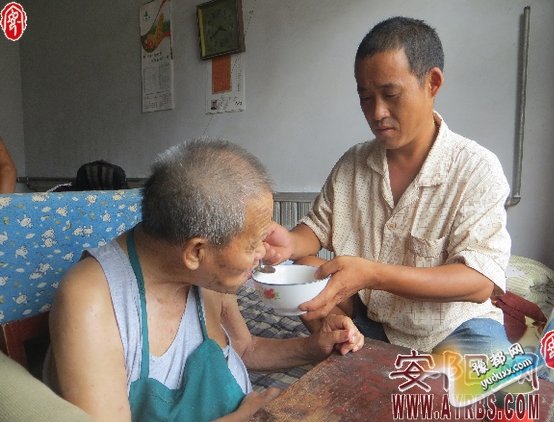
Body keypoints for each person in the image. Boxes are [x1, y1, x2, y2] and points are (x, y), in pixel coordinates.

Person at [44, 139, 364, 422]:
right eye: (253, 244)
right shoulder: (92, 299)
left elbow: (244, 348)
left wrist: (314, 346)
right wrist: (242, 418)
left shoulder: (207, 276)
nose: (265, 253)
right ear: (197, 252)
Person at [263, 17, 512, 357]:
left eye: (391, 94)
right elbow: (317, 229)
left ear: (432, 83)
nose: (377, 112)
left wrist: (372, 275)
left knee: (493, 378)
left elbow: (479, 281)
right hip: (372, 321)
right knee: (303, 268)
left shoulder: (475, 168)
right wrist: (288, 243)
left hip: (455, 328)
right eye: (366, 98)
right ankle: (352, 344)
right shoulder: (353, 163)